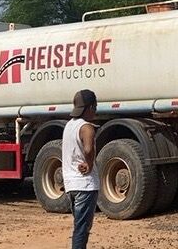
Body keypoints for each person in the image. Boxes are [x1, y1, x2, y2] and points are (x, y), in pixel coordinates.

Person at [63, 89, 99, 249]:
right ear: (90, 107)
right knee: (82, 229)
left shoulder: (69, 126)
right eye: (95, 107)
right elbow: (89, 149)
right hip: (85, 185)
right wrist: (89, 164)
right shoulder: (87, 127)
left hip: (71, 184)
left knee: (79, 226)